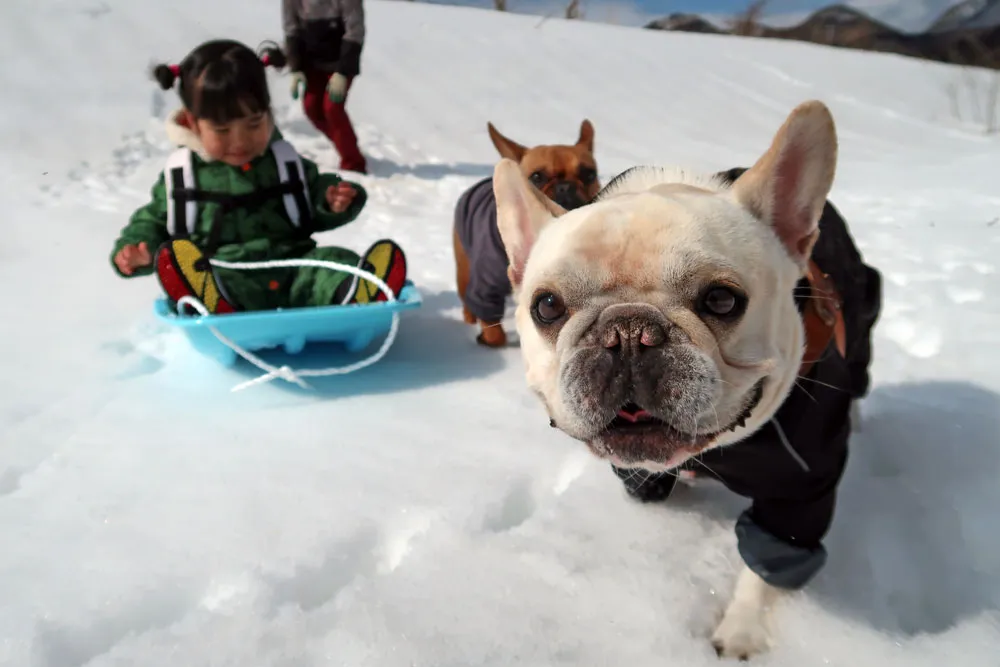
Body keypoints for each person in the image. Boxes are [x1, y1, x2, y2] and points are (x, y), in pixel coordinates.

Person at [110, 38, 406, 315]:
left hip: (294, 269)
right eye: (223, 131)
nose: (240, 142)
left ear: (267, 112)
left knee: (335, 261)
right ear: (192, 123)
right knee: (203, 275)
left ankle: (360, 292)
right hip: (228, 276)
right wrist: (137, 250)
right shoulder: (183, 177)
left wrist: (332, 200)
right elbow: (152, 221)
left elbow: (313, 193)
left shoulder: (283, 162)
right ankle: (207, 301)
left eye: (253, 124)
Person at [283, 0, 368, 175]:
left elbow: (355, 31)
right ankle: (344, 144)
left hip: (340, 62)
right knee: (312, 108)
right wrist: (296, 68)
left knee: (333, 108)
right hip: (313, 63)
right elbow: (292, 30)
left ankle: (354, 165)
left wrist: (343, 72)